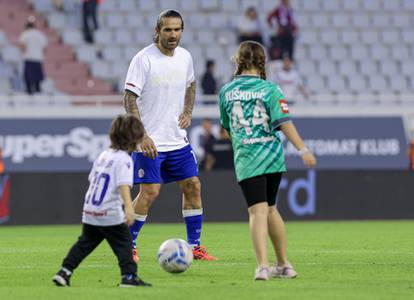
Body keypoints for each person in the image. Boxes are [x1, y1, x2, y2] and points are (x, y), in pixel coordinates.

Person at [123, 10, 217, 261]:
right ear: (158, 31)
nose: (173, 34)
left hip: (177, 140)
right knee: (150, 193)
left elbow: (191, 84)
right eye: (168, 30)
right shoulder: (143, 59)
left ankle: (194, 246)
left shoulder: (185, 57)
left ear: (182, 31)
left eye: (177, 29)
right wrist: (140, 136)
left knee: (193, 186)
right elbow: (129, 98)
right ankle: (126, 244)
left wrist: (188, 110)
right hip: (149, 142)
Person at [219, 41, 316, 280]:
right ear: (262, 62)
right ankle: (284, 264)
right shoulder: (271, 89)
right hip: (272, 156)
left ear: (237, 61)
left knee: (257, 212)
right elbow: (284, 122)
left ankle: (262, 266)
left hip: (248, 157)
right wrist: (303, 149)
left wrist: (243, 140)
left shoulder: (226, 91)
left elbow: (227, 128)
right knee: (271, 209)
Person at [53, 114, 151, 288]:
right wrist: (129, 208)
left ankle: (64, 271)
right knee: (124, 243)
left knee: (84, 243)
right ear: (132, 139)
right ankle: (129, 277)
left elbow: (93, 180)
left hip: (90, 209)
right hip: (109, 212)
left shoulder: (104, 155)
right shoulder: (125, 160)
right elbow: (123, 186)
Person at [18, 16, 47, 94]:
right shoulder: (40, 35)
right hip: (38, 58)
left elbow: (22, 46)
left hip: (29, 58)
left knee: (28, 79)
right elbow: (44, 48)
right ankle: (38, 91)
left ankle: (29, 91)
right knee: (37, 79)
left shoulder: (25, 34)